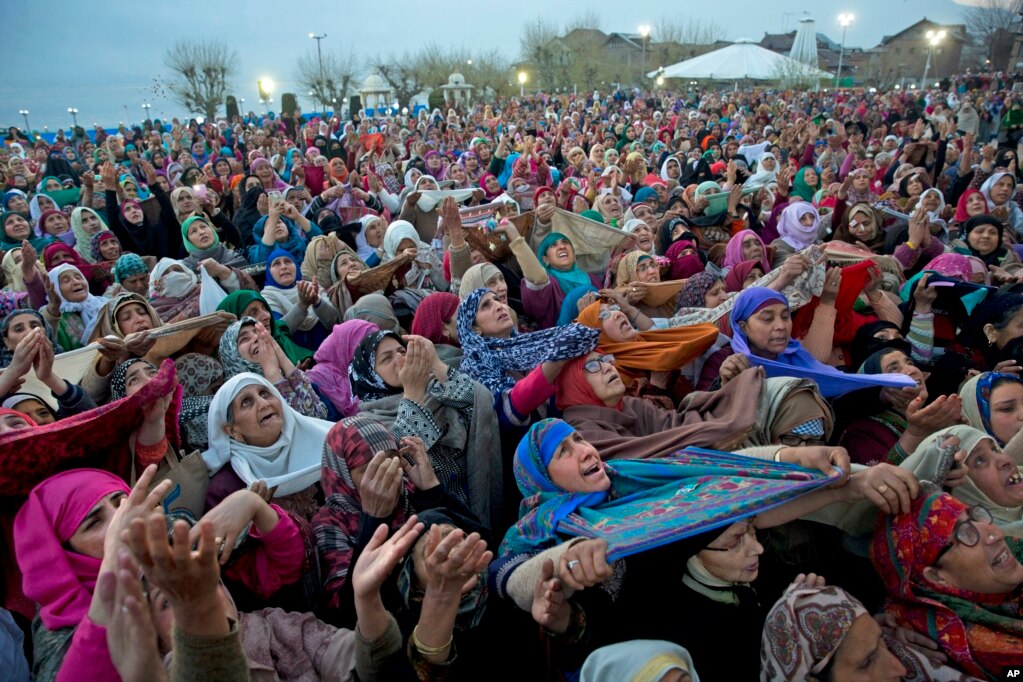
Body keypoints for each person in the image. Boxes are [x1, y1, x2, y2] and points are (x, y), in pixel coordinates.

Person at [349, 330, 502, 527]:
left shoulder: (435, 388)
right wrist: (413, 393)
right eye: (387, 359)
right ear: (370, 376)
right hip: (438, 523)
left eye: (402, 351)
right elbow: (400, 458)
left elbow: (479, 401)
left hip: (477, 494)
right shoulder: (366, 423)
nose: (400, 359)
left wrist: (435, 364)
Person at [871, 489, 1023, 678]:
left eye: (975, 517)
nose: (994, 534)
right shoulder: (959, 642)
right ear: (936, 577)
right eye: (963, 534)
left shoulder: (1016, 552)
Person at [202, 372, 332, 509]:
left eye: (264, 393)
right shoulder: (226, 490)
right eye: (246, 402)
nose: (264, 404)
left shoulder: (325, 442)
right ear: (233, 431)